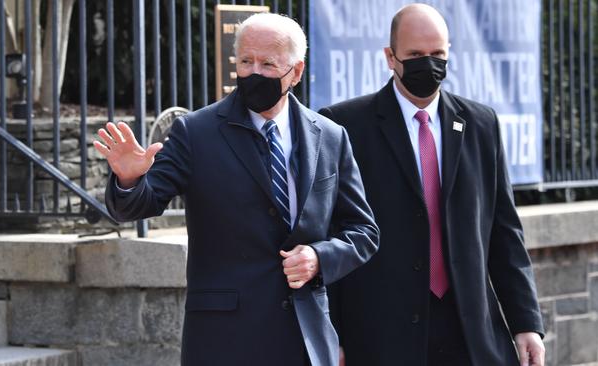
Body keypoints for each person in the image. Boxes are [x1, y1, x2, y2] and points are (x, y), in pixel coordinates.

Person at [94, 12, 378, 366]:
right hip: (224, 339)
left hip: (305, 337)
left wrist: (320, 257)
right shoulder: (195, 132)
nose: (254, 72)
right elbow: (139, 205)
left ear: (297, 71)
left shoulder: (331, 136)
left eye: (268, 63)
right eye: (246, 61)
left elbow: (363, 231)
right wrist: (129, 180)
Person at [319, 3, 545, 366]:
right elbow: (330, 234)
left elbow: (504, 233)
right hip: (381, 334)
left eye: (438, 54)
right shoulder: (345, 126)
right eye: (415, 55)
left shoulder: (481, 124)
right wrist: (333, 334)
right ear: (390, 57)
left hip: (469, 331)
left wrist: (526, 323)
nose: (429, 64)